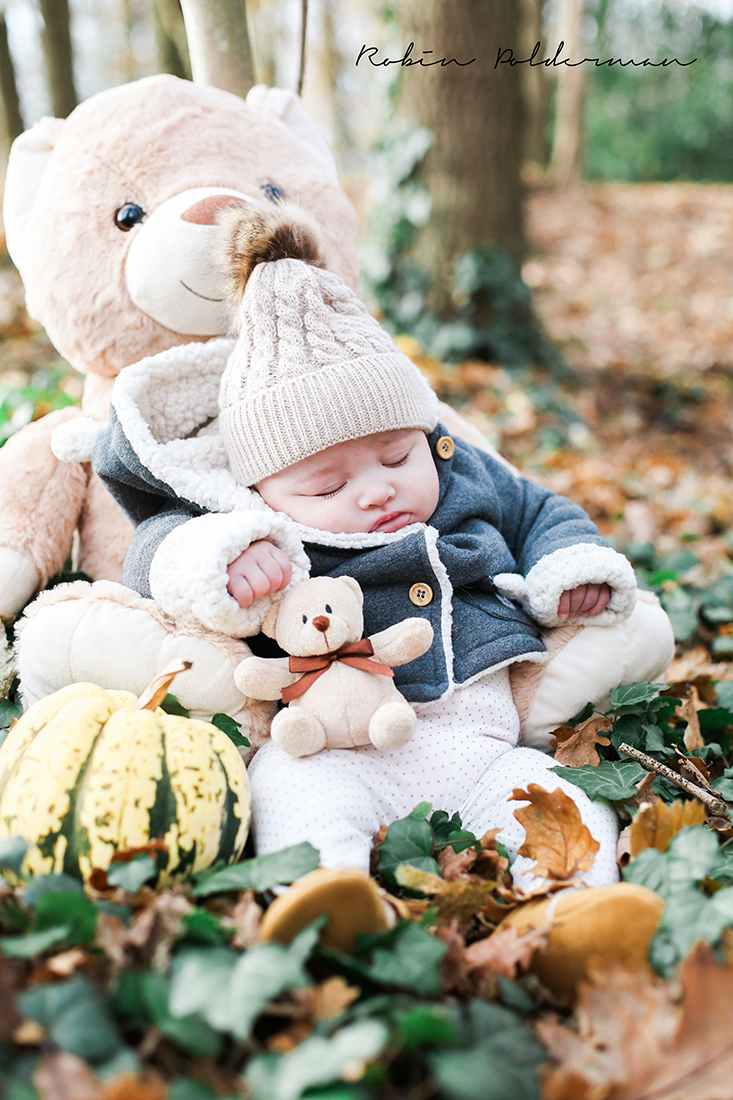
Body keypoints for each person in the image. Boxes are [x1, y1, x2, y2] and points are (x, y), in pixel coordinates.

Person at [86, 249, 674, 900]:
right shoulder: (249, 522)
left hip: (479, 744)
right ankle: (331, 901)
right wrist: (220, 554)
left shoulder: (466, 477)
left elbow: (539, 510)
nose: (376, 492)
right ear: (260, 491)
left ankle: (572, 906)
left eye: (397, 456)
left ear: (427, 436)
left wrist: (567, 565)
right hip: (331, 749)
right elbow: (151, 553)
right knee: (289, 792)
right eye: (329, 483)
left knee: (561, 800)